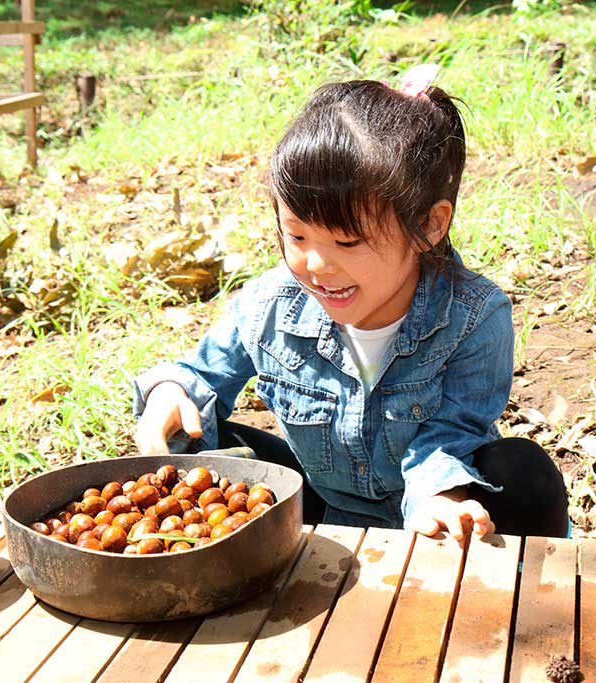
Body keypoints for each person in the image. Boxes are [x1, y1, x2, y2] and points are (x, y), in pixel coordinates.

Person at [132, 66, 568, 542]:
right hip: (323, 503)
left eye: (347, 241)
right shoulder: (269, 305)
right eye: (297, 236)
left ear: (428, 226)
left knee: (523, 471)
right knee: (193, 441)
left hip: (440, 509)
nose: (317, 265)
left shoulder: (473, 317)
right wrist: (169, 391)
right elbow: (200, 374)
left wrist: (440, 499)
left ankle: (515, 576)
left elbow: (452, 431)